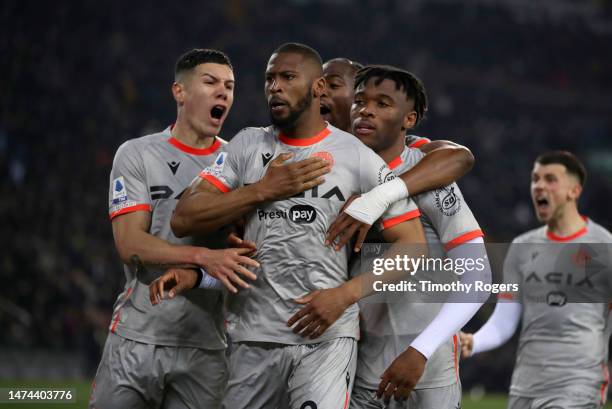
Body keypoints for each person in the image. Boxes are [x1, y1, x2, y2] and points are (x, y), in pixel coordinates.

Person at [167, 42, 428, 409]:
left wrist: (345, 294)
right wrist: (261, 190)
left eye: (288, 77)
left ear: (319, 87)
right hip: (252, 336)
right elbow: (183, 218)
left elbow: (413, 246)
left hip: (325, 339)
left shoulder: (356, 156)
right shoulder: (246, 146)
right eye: (269, 78)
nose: (275, 86)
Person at [288, 65, 491, 407]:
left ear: (408, 119)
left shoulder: (427, 173)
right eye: (361, 101)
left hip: (427, 372)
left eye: (383, 104)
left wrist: (420, 351)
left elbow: (478, 278)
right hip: (362, 369)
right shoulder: (331, 172)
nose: (367, 110)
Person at [90, 49, 282, 409]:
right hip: (138, 337)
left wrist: (200, 271)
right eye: (210, 82)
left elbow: (242, 261)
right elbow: (129, 243)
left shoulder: (240, 163)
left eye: (230, 86)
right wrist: (202, 256)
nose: (223, 92)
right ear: (179, 92)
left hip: (207, 349)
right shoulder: (138, 154)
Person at [460, 151, 612, 409]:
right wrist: (475, 342)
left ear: (574, 191)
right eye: (535, 179)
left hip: (579, 383)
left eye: (550, 179)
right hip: (525, 386)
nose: (539, 186)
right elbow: (504, 320)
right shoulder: (522, 247)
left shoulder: (603, 246)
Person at [319, 58, 475, 252]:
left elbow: (460, 157)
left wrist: (378, 197)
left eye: (333, 85)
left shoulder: (406, 152)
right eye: (317, 85)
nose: (320, 92)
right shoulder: (311, 156)